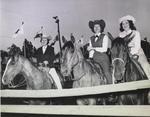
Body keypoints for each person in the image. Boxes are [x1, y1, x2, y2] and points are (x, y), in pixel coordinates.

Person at [119, 15, 150, 80]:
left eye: (126, 23)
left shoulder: (136, 33)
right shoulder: (121, 35)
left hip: (137, 53)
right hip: (125, 55)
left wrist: (130, 53)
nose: (124, 25)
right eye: (123, 24)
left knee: (145, 65)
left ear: (130, 24)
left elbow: (137, 46)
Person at [87, 19, 112, 84]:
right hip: (94, 59)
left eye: (98, 26)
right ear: (93, 28)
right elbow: (91, 51)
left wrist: (93, 48)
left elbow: (104, 49)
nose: (96, 28)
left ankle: (112, 88)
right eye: (95, 27)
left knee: (106, 72)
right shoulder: (91, 38)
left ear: (101, 28)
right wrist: (90, 58)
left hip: (103, 58)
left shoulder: (105, 36)